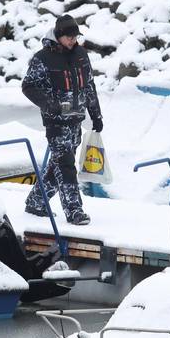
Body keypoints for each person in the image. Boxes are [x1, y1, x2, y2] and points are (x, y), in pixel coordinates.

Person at [22, 14, 103, 225]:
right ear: (58, 36)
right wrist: (49, 104)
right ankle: (74, 211)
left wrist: (96, 114)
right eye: (69, 37)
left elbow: (89, 86)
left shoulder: (81, 55)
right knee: (66, 165)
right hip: (55, 122)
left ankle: (36, 202)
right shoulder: (42, 58)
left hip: (75, 120)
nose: (72, 41)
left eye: (75, 37)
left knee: (58, 164)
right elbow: (28, 86)